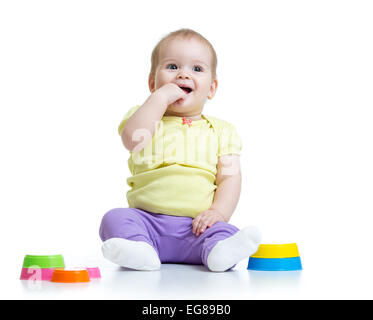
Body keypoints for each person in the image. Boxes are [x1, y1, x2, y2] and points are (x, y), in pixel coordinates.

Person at [99, 28, 261, 272]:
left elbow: (230, 177)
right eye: (172, 67)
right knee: (113, 219)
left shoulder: (223, 131)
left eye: (197, 69)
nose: (183, 74)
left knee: (225, 232)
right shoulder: (143, 118)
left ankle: (218, 251)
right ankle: (141, 250)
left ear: (212, 88)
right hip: (147, 222)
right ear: (152, 83)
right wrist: (159, 99)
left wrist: (217, 212)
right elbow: (133, 139)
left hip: (197, 228)